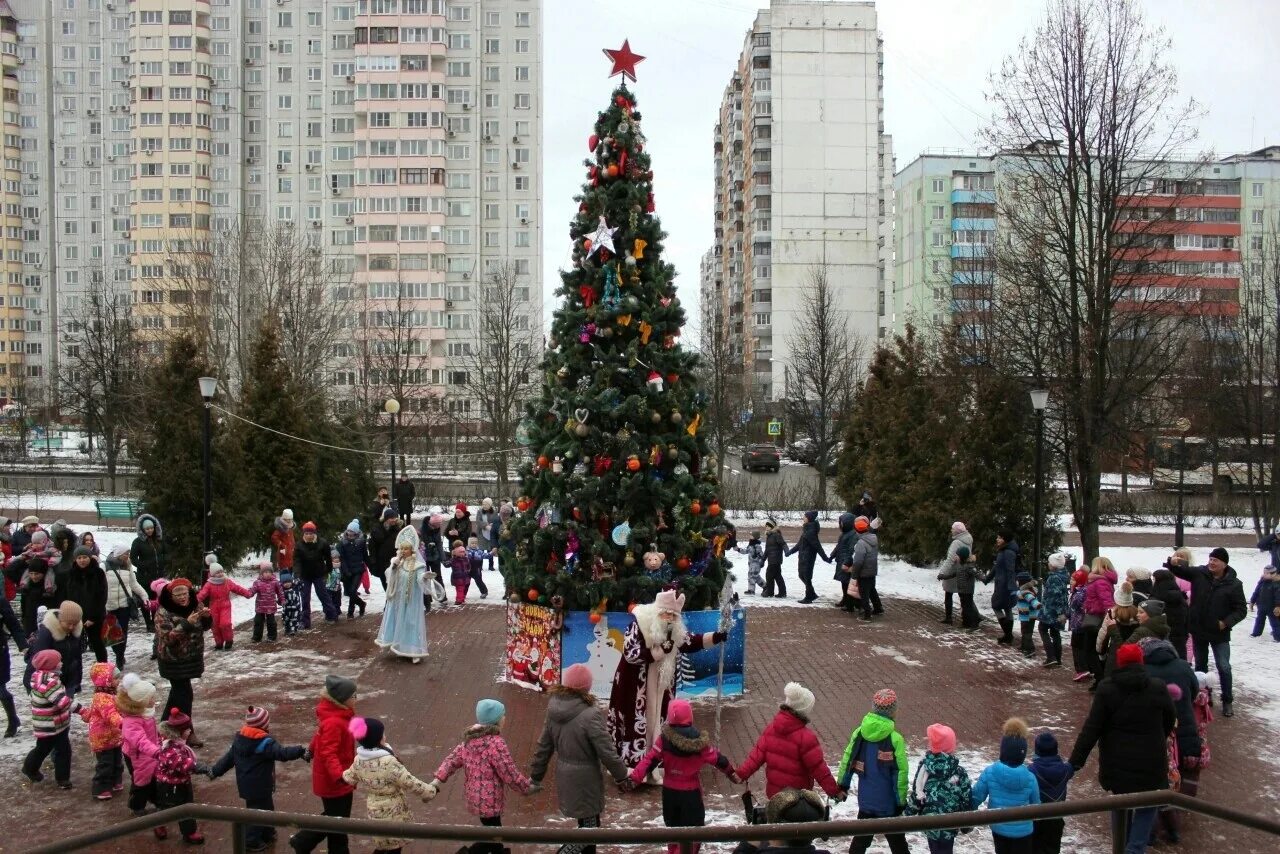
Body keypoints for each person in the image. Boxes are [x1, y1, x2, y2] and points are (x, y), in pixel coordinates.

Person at [1069, 643, 1176, 854]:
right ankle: (1135, 848)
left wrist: (1074, 763)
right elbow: (1169, 719)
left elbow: (1092, 729)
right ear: (1141, 662)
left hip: (1117, 764)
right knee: (1147, 806)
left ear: (1119, 662)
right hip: (1151, 763)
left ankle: (1123, 844)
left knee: (1120, 804)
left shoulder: (1107, 689)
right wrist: (1158, 738)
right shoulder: (1157, 687)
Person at [606, 589, 729, 768]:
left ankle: (655, 760)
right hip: (634, 685)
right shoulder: (639, 624)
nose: (669, 618)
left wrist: (715, 637)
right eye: (665, 614)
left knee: (660, 718)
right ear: (657, 612)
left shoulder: (674, 631)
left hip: (661, 685)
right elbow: (631, 653)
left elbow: (689, 642)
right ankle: (634, 765)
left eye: (673, 615)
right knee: (636, 721)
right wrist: (659, 651)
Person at [530, 663, 630, 854]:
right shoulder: (590, 714)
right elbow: (606, 750)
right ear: (587, 687)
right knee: (589, 832)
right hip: (586, 781)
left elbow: (544, 747)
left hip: (566, 775)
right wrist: (622, 775)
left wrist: (536, 776)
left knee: (586, 827)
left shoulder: (553, 709)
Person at [627, 699, 739, 854]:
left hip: (670, 794)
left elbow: (650, 759)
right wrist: (731, 772)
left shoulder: (664, 739)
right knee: (693, 833)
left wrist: (635, 777)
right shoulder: (699, 741)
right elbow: (717, 759)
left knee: (673, 831)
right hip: (690, 794)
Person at [433, 699, 536, 853]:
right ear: (496, 721)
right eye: (503, 715)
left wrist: (437, 780)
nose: (505, 718)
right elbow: (509, 773)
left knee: (493, 834)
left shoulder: (469, 741)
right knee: (495, 838)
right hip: (490, 800)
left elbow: (451, 761)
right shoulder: (496, 744)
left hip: (475, 797)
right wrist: (527, 788)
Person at [209, 705, 310, 854]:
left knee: (266, 809)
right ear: (264, 724)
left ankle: (267, 832)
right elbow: (282, 753)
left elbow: (228, 760)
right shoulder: (265, 743)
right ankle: (250, 841)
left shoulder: (239, 740)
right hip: (260, 785)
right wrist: (300, 751)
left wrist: (215, 771)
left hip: (246, 785)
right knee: (258, 812)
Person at [1165, 547, 1247, 717]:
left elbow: (1241, 610)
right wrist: (1171, 563)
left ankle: (1227, 700)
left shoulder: (1234, 584)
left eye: (1215, 560)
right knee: (1200, 665)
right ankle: (1204, 695)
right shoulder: (1200, 574)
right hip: (1198, 629)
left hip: (1219, 632)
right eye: (1210, 559)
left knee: (1223, 666)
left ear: (1224, 564)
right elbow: (1182, 570)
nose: (1211, 562)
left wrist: (1225, 622)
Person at [342, 716, 438, 854]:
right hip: (394, 814)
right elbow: (410, 782)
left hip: (374, 810)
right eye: (383, 733)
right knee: (393, 847)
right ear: (378, 738)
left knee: (383, 847)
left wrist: (341, 778)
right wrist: (430, 791)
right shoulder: (388, 762)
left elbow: (349, 776)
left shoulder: (359, 759)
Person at [289, 675, 359, 854]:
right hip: (336, 781)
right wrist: (339, 776)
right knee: (338, 820)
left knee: (336, 819)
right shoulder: (335, 722)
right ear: (342, 700)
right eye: (353, 696)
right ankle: (303, 840)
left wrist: (311, 750)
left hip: (338, 778)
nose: (356, 699)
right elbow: (328, 752)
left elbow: (319, 737)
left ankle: (310, 842)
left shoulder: (337, 717)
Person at [736, 682, 842, 800]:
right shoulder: (806, 737)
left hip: (775, 797)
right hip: (798, 799)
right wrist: (834, 791)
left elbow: (755, 757)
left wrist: (741, 774)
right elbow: (819, 769)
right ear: (804, 710)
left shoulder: (771, 729)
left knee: (776, 817)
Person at [837, 688, 909, 854]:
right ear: (893, 711)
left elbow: (848, 760)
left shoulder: (860, 733)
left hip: (866, 801)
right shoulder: (895, 738)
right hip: (888, 804)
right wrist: (900, 802)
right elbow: (900, 773)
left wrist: (842, 785)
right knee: (898, 845)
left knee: (860, 842)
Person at [153, 577, 212, 743]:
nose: (181, 597)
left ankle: (163, 727)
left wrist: (207, 617)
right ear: (171, 596)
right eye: (177, 595)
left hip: (191, 658)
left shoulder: (196, 605)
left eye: (184, 593)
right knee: (185, 694)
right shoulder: (163, 613)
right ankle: (187, 731)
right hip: (172, 661)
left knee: (177, 695)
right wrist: (186, 624)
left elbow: (205, 627)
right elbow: (167, 638)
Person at [972, 718, 1040, 854]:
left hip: (999, 827)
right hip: (1024, 832)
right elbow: (1036, 805)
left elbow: (976, 796)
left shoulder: (990, 772)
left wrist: (966, 810)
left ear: (1003, 751)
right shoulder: (1030, 778)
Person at [906, 723, 972, 854]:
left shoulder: (924, 769)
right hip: (950, 824)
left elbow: (917, 792)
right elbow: (966, 797)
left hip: (930, 823)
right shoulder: (958, 771)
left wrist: (908, 813)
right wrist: (966, 824)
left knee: (935, 849)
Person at [21, 648, 79, 788]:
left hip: (51, 722)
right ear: (50, 665)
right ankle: (62, 779)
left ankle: (31, 768)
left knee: (44, 748)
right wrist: (80, 709)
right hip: (51, 723)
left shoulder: (42, 677)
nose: (61, 663)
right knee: (61, 750)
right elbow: (62, 701)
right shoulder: (49, 682)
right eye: (58, 661)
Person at [375, 525, 430, 662]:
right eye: (402, 548)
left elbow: (419, 578)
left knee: (410, 622)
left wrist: (424, 577)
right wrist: (394, 566)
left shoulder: (418, 565)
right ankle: (396, 643)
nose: (404, 551)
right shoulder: (397, 562)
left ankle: (412, 649)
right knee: (395, 620)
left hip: (410, 601)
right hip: (397, 600)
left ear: (412, 550)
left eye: (406, 548)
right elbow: (389, 575)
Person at [155, 706, 208, 845]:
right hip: (169, 785)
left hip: (182, 782)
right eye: (188, 729)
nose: (190, 731)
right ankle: (157, 823)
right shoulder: (170, 748)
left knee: (187, 807)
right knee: (167, 808)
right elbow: (182, 764)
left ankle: (189, 832)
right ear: (179, 732)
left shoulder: (178, 742)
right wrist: (200, 767)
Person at [79, 662, 125, 800]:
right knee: (105, 763)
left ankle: (115, 781)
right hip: (103, 737)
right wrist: (124, 724)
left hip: (114, 735)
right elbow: (110, 714)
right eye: (116, 679)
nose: (119, 681)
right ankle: (100, 788)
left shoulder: (111, 694)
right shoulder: (102, 698)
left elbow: (92, 713)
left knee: (117, 760)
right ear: (106, 680)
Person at [58, 544, 110, 664]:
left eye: (84, 557)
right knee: (74, 646)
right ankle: (74, 671)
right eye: (79, 557)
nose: (82, 560)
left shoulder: (98, 573)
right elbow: (66, 596)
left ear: (90, 558)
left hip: (94, 617)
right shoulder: (70, 574)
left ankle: (103, 668)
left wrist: (93, 617)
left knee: (97, 644)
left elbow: (102, 597)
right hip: (75, 618)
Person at [102, 545, 150, 669]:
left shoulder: (128, 567)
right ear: (118, 554)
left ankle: (119, 656)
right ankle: (117, 651)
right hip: (109, 606)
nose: (127, 556)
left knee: (123, 633)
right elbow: (98, 585)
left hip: (124, 605)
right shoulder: (104, 566)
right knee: (113, 634)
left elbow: (134, 584)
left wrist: (144, 596)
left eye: (128, 554)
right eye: (125, 554)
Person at [24, 600, 85, 697]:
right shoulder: (47, 633)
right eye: (68, 623)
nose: (71, 627)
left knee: (66, 709)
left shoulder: (76, 632)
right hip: (49, 684)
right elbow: (37, 659)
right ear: (61, 620)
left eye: (75, 624)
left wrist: (77, 682)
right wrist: (31, 684)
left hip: (68, 681)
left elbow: (77, 658)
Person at [1029, 731, 1073, 854]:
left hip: (1037, 821)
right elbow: (1073, 766)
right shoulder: (1066, 770)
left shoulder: (1031, 771)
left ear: (1037, 751)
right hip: (1056, 820)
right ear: (1055, 750)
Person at [196, 562, 251, 651]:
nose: (220, 574)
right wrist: (195, 601)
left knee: (225, 623)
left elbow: (237, 588)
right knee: (215, 625)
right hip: (213, 606)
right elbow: (202, 594)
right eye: (218, 572)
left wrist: (247, 593)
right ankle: (219, 643)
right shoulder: (209, 584)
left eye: (221, 571)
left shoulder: (227, 581)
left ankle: (229, 640)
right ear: (213, 574)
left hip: (225, 605)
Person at [293, 521, 338, 627]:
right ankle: (305, 621)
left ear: (314, 533)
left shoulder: (322, 543)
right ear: (304, 534)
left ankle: (331, 615)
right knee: (305, 598)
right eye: (306, 533)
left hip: (319, 573)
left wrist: (328, 571)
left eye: (311, 533)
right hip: (305, 575)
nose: (309, 535)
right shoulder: (299, 545)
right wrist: (297, 574)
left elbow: (328, 558)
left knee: (323, 595)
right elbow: (296, 561)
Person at [1080, 557, 1118, 680]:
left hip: (1097, 617)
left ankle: (1100, 676)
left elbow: (1107, 601)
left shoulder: (1100, 582)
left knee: (1091, 649)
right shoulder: (1101, 580)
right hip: (1096, 615)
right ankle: (1099, 675)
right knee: (1093, 648)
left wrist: (1111, 616)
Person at [1095, 583, 1141, 683]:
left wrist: (1100, 652)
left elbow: (1103, 635)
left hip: (1115, 654)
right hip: (1135, 653)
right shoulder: (1138, 614)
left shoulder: (1112, 614)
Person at [0, 583, 28, 737]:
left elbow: (14, 626)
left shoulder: (1, 601)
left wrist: (23, 646)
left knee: (1, 690)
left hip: (0, 650)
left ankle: (12, 719)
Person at [786, 511, 830, 604]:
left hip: (808, 558)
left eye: (805, 517)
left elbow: (817, 546)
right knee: (802, 575)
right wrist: (790, 552)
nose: (803, 518)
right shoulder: (806, 530)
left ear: (809, 518)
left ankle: (809, 597)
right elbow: (799, 544)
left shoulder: (810, 532)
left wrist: (825, 558)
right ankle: (812, 594)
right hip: (803, 557)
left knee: (806, 576)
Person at [985, 532, 1021, 645]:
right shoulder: (1003, 550)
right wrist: (988, 578)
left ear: (1005, 539)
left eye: (999, 537)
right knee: (1007, 607)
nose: (997, 539)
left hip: (1005, 585)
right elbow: (996, 567)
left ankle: (1008, 634)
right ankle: (1007, 635)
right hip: (1002, 583)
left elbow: (1011, 569)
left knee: (996, 606)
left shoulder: (1008, 552)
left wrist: (1011, 586)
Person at [1150, 569, 1189, 660]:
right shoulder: (1181, 598)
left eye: (1154, 580)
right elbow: (1187, 621)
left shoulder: (1156, 600)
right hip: (1179, 641)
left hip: (1160, 642)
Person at [939, 522, 973, 626]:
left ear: (957, 531)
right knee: (964, 596)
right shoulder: (969, 539)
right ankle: (972, 616)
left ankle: (949, 617)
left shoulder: (956, 542)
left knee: (948, 593)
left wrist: (942, 572)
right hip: (963, 568)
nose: (951, 530)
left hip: (953, 570)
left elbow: (950, 559)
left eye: (952, 529)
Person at [1039, 554, 1070, 668]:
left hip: (1051, 611)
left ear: (1053, 565)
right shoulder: (1063, 576)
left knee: (1042, 629)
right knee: (1055, 632)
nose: (1048, 564)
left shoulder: (1053, 578)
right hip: (1058, 610)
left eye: (1049, 563)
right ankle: (1057, 658)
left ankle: (1051, 657)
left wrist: (1055, 612)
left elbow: (1054, 596)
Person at [334, 520, 368, 620]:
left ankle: (350, 612)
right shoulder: (342, 543)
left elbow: (365, 556)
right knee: (348, 592)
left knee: (353, 591)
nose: (350, 533)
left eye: (352, 531)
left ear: (356, 532)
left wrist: (372, 566)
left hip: (358, 570)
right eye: (348, 530)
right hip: (346, 571)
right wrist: (345, 570)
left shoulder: (361, 542)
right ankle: (362, 603)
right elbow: (341, 558)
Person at [849, 516, 881, 620]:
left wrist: (854, 574)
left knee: (863, 594)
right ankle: (878, 608)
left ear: (857, 530)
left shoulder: (861, 543)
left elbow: (858, 561)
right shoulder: (874, 539)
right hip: (872, 570)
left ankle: (867, 614)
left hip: (863, 572)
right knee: (871, 590)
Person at [367, 507, 403, 592]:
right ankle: (389, 603)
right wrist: (373, 562)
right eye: (391, 518)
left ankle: (391, 604)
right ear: (386, 519)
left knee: (395, 585)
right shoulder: (377, 531)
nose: (393, 520)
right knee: (386, 585)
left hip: (395, 562)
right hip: (382, 563)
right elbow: (372, 548)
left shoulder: (398, 530)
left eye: (394, 518)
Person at [249, 561, 286, 643]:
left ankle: (272, 637)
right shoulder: (257, 583)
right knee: (258, 622)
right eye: (265, 572)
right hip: (260, 606)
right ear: (262, 573)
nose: (267, 574)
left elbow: (280, 592)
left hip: (270, 606)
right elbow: (253, 590)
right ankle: (256, 637)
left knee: (271, 623)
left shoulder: (275, 582)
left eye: (269, 572)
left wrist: (282, 600)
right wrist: (249, 593)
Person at [130, 513, 167, 593]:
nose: (150, 530)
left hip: (160, 576)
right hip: (145, 577)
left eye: (151, 528)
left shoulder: (159, 540)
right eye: (147, 529)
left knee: (159, 598)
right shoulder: (138, 542)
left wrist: (163, 561)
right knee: (148, 599)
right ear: (142, 529)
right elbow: (133, 558)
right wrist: (144, 565)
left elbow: (166, 553)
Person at [830, 512, 859, 612]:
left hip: (846, 562)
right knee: (843, 582)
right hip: (841, 560)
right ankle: (845, 599)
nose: (840, 524)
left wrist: (846, 562)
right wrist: (832, 555)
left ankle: (849, 602)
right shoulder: (844, 534)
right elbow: (839, 547)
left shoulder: (853, 535)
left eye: (841, 522)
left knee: (847, 583)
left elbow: (851, 551)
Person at [1067, 569, 1091, 680]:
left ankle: (1081, 669)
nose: (1071, 581)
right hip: (1080, 622)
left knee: (1077, 646)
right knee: (1080, 645)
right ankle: (1085, 668)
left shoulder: (1080, 592)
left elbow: (1075, 606)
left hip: (1079, 623)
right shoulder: (1080, 590)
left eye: (1073, 579)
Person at [1248, 564, 1279, 640]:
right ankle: (1256, 633)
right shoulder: (1262, 581)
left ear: (1273, 574)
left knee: (1275, 622)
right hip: (1261, 606)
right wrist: (1252, 601)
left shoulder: (1277, 584)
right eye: (1264, 573)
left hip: (1272, 607)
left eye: (1266, 573)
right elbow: (1257, 591)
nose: (1264, 575)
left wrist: (1278, 606)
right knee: (1259, 620)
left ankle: (1278, 637)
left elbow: (1278, 597)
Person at [1015, 571, 1041, 658]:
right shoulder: (1025, 590)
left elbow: (1032, 600)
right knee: (1025, 631)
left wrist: (1037, 605)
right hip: (1026, 615)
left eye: (1018, 581)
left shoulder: (1026, 592)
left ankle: (1030, 649)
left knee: (1027, 632)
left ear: (1021, 582)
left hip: (1028, 615)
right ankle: (1023, 646)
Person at [956, 545, 982, 630]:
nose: (956, 557)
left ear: (961, 557)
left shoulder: (969, 566)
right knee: (964, 607)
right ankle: (966, 622)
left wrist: (984, 579)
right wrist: (944, 576)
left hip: (967, 591)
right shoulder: (960, 565)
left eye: (958, 555)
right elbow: (955, 574)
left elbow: (976, 574)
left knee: (969, 607)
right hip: (961, 590)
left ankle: (974, 623)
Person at [735, 530, 767, 596]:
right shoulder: (750, 545)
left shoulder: (757, 546)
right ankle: (765, 586)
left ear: (755, 537)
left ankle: (751, 590)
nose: (750, 536)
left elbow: (761, 555)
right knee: (756, 577)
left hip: (756, 564)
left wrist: (761, 561)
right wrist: (738, 549)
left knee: (751, 576)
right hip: (751, 564)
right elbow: (745, 551)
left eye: (751, 535)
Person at [762, 520, 788, 598]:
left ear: (772, 527)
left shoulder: (776, 535)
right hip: (772, 559)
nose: (766, 528)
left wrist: (787, 551)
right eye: (765, 526)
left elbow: (783, 543)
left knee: (769, 575)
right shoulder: (769, 536)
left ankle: (770, 592)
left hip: (775, 559)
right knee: (777, 576)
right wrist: (763, 560)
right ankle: (782, 592)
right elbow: (767, 550)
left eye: (768, 526)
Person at [271, 508, 297, 574]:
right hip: (284, 552)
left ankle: (290, 582)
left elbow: (291, 538)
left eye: (291, 519)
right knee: (284, 570)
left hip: (291, 551)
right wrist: (281, 544)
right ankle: (284, 582)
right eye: (288, 520)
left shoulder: (290, 527)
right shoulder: (281, 528)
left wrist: (294, 545)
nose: (289, 521)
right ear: (284, 519)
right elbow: (274, 537)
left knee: (290, 569)